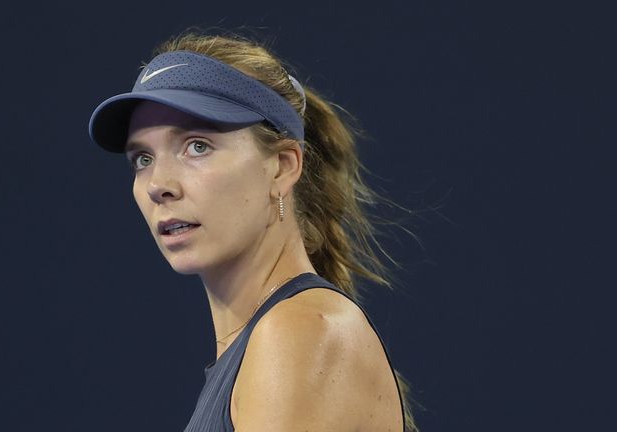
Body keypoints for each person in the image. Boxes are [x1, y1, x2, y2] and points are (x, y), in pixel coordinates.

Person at [88, 29, 418, 432]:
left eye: (197, 146)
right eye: (143, 158)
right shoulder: (276, 340)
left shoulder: (299, 334)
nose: (159, 184)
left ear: (281, 167)